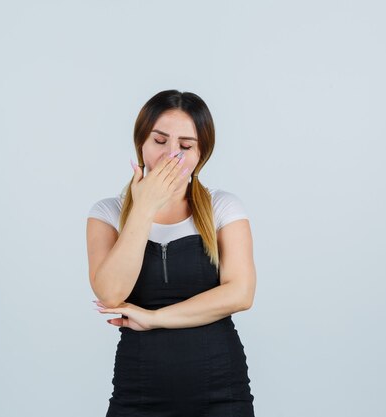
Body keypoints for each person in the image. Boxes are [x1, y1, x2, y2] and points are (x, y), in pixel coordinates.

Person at [86, 89, 257, 416]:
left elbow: (241, 293)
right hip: (137, 392)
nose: (170, 155)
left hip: (221, 392)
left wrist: (154, 319)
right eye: (160, 141)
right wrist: (143, 209)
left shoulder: (224, 207)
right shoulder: (107, 213)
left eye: (185, 146)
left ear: (200, 154)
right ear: (141, 143)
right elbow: (110, 293)